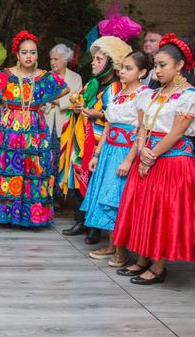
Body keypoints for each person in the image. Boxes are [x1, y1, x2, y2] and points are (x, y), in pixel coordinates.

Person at [113, 34, 195, 285]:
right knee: (143, 210)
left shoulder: (188, 96)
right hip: (147, 156)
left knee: (162, 213)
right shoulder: (150, 94)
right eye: (156, 65)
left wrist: (152, 154)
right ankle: (142, 258)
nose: (157, 70)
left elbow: (177, 132)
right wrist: (140, 149)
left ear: (179, 66)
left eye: (163, 65)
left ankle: (159, 267)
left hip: (172, 162)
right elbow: (141, 127)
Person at [0, 30, 69, 227]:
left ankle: (30, 215)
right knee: (8, 166)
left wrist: (42, 99)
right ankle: (7, 214)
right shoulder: (7, 75)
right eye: (24, 52)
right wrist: (6, 96)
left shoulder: (43, 77)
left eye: (33, 52)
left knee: (33, 166)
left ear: (37, 55)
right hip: (9, 126)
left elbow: (65, 88)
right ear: (17, 55)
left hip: (35, 125)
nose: (29, 56)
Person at [80, 52, 153, 267]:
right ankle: (112, 245)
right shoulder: (118, 94)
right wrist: (96, 154)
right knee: (105, 196)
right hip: (109, 151)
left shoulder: (144, 94)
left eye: (129, 68)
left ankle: (122, 250)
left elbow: (142, 129)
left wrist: (129, 160)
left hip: (125, 152)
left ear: (142, 72)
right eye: (122, 67)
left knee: (117, 200)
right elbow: (108, 126)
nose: (122, 71)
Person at [59, 36, 131, 244]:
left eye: (99, 59)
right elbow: (80, 107)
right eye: (94, 59)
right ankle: (80, 220)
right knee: (77, 180)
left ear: (111, 63)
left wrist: (96, 114)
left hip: (100, 142)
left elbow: (120, 117)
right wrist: (77, 109)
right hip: (81, 140)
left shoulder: (116, 88)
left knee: (93, 182)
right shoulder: (92, 84)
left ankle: (94, 228)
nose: (93, 62)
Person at [46, 44, 83, 201]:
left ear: (65, 59)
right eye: (51, 59)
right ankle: (46, 193)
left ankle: (60, 195)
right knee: (47, 157)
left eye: (56, 59)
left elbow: (77, 99)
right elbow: (41, 98)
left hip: (65, 123)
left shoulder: (76, 78)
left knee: (62, 157)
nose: (53, 62)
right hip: (47, 121)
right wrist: (56, 101)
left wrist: (57, 102)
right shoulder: (46, 76)